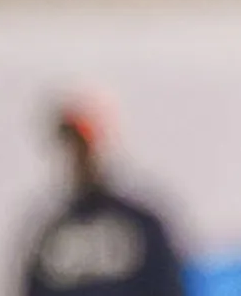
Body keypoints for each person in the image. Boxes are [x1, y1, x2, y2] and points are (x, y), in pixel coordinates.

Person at [21, 107, 186, 296]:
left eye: (83, 149)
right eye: (70, 148)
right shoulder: (50, 234)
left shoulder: (141, 226)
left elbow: (168, 285)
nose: (77, 159)